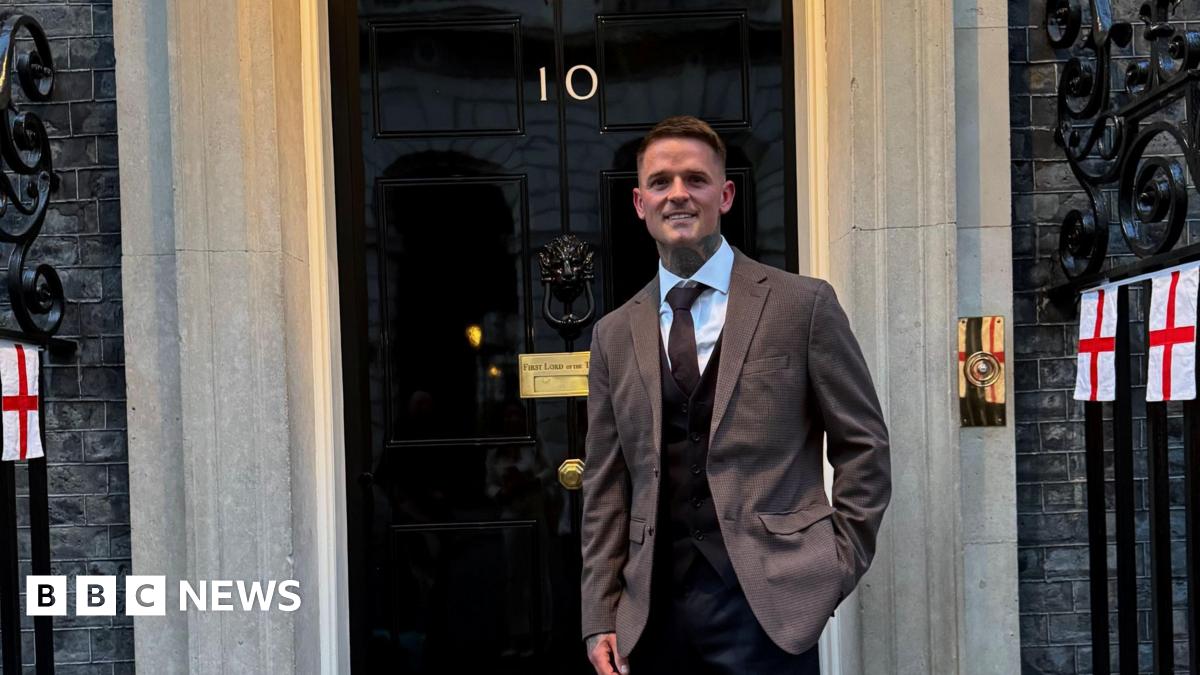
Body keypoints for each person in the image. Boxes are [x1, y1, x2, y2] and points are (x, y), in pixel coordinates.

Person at [580, 115, 891, 674]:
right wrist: (600, 613)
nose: (678, 194)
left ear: (724, 195)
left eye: (695, 179)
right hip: (651, 615)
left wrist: (834, 565)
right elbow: (605, 486)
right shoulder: (612, 334)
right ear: (638, 202)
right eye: (660, 182)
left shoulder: (804, 305)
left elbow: (863, 446)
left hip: (771, 606)